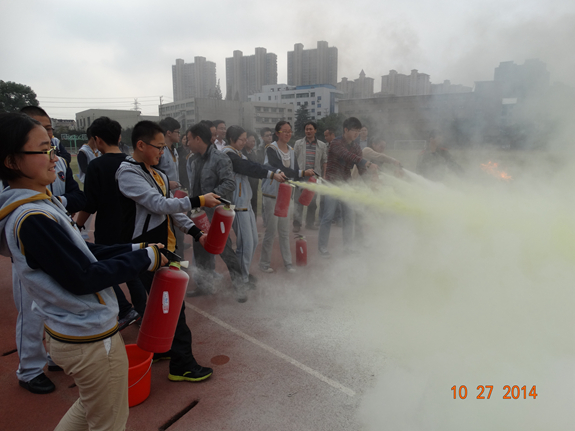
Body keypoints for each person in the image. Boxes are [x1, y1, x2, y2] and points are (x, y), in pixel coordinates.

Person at [0, 112, 166, 430]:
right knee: (110, 421)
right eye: (44, 150)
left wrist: (139, 250)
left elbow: (83, 251)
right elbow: (83, 276)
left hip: (79, 334)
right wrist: (145, 261)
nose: (56, 159)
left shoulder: (40, 204)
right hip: (89, 341)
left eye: (53, 147)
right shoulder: (32, 216)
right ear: (11, 160)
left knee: (90, 408)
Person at [117, 120, 219, 381]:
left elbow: (173, 210)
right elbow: (158, 204)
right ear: (140, 145)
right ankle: (182, 365)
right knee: (173, 306)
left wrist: (197, 233)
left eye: (163, 148)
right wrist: (199, 200)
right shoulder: (127, 173)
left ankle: (161, 347)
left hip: (167, 248)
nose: (162, 153)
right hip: (146, 249)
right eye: (158, 147)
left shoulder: (157, 174)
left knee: (161, 304)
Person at [9, 109, 86, 395]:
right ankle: (29, 370)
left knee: (59, 301)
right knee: (31, 311)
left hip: (61, 237)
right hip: (31, 248)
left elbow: (80, 196)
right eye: (39, 130)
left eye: (50, 130)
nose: (48, 136)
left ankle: (55, 355)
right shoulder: (13, 174)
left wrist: (56, 201)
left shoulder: (61, 162)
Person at [75, 116, 147, 329]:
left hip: (108, 228)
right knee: (133, 270)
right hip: (132, 228)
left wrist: (78, 224)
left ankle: (126, 309)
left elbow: (90, 203)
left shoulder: (97, 166)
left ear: (97, 140)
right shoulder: (134, 163)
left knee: (103, 269)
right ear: (119, 137)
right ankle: (142, 313)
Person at [186, 123, 248, 302]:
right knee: (199, 250)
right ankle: (205, 286)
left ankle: (239, 287)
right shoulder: (193, 160)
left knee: (225, 249)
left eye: (189, 139)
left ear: (198, 139)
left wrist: (210, 197)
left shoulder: (220, 158)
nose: (187, 142)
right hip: (198, 214)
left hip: (215, 214)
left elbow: (229, 183)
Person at [222, 126, 286, 287]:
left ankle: (243, 274)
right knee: (246, 244)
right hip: (237, 206)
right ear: (232, 139)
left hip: (246, 205)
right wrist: (271, 174)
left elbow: (256, 164)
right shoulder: (227, 155)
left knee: (254, 241)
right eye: (242, 139)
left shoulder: (238, 153)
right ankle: (240, 279)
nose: (245, 142)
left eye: (246, 139)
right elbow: (249, 168)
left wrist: (275, 170)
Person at [318, 117, 378, 258]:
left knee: (349, 217)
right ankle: (322, 248)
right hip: (332, 185)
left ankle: (348, 247)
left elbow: (360, 168)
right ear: (346, 130)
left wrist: (370, 185)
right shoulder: (335, 143)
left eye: (358, 131)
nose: (357, 133)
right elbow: (348, 156)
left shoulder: (357, 147)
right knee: (328, 216)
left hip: (346, 185)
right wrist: (367, 163)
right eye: (354, 131)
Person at [259, 121, 314, 273]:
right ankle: (264, 263)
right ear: (277, 133)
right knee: (271, 230)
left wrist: (307, 180)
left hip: (285, 194)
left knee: (284, 230)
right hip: (271, 194)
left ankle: (288, 263)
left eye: (290, 131)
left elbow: (294, 172)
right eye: (284, 131)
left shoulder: (290, 150)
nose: (288, 134)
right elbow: (281, 169)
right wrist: (303, 173)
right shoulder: (271, 149)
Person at [293, 121, 327, 232]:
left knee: (312, 202)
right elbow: (294, 159)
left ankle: (310, 223)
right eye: (306, 129)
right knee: (298, 201)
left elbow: (324, 162)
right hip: (301, 176)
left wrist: (324, 175)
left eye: (310, 129)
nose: (308, 131)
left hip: (314, 177)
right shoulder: (298, 143)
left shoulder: (322, 145)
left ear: (315, 130)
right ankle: (297, 224)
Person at [243, 130, 261, 216]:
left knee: (254, 205)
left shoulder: (253, 153)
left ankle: (254, 224)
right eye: (252, 141)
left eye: (254, 141)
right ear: (246, 140)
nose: (254, 143)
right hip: (246, 185)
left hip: (254, 184)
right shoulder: (242, 154)